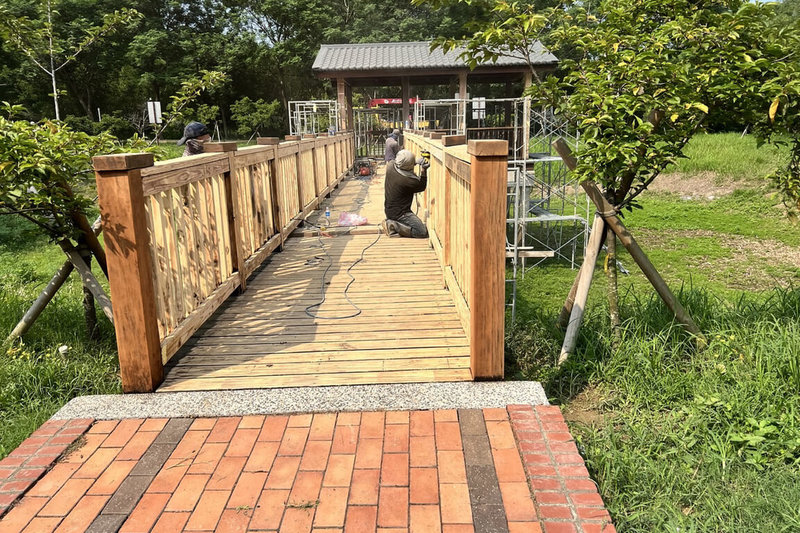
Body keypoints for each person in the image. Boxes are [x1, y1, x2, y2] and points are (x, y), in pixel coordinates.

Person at [382, 149, 430, 238]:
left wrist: (416, 161)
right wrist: (423, 170)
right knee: (421, 231)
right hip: (401, 214)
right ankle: (393, 225)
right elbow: (421, 186)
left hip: (389, 210)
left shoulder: (391, 166)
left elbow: (403, 163)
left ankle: (392, 221)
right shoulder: (407, 181)